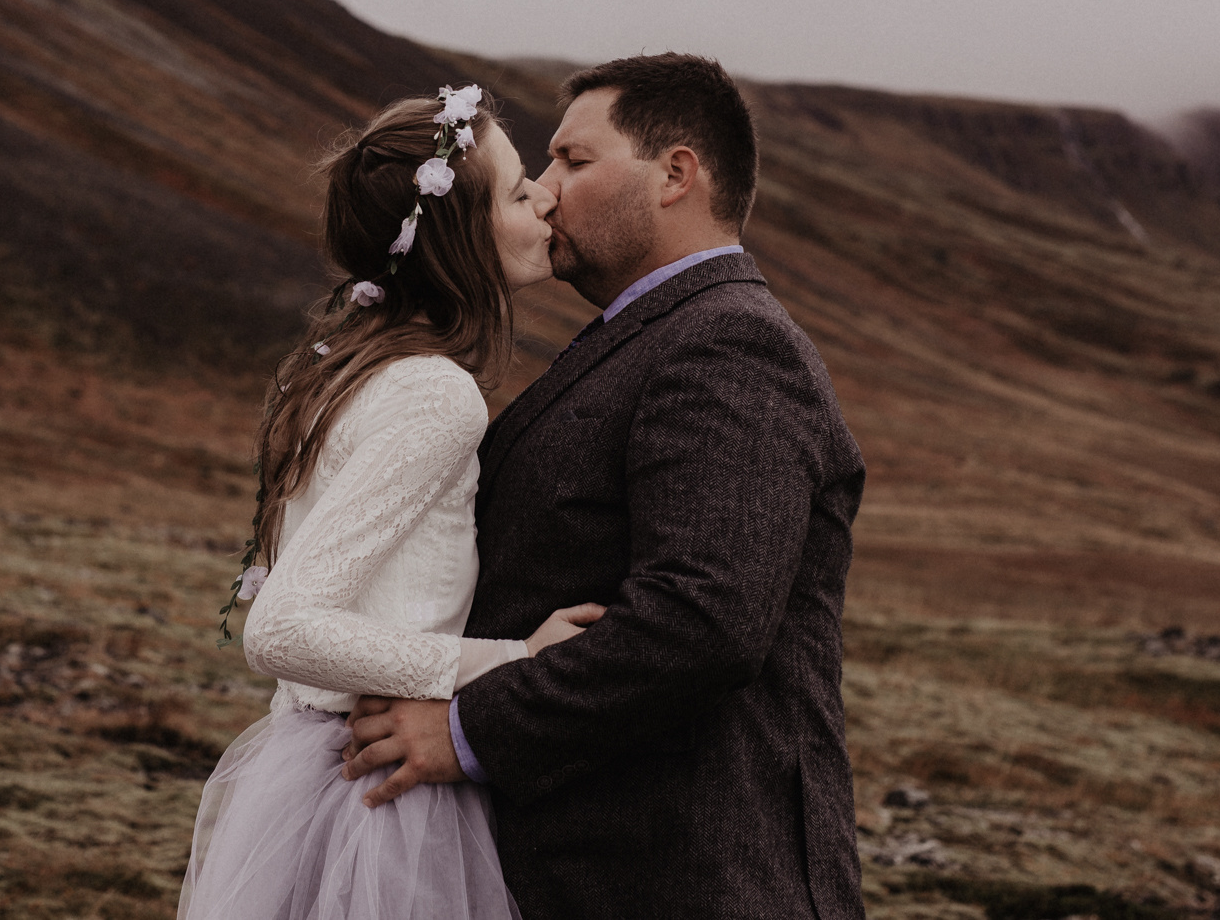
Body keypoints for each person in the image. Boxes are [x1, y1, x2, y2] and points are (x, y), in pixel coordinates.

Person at [342, 53, 868, 920]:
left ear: (675, 175)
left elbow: (705, 619)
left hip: (688, 883)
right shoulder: (642, 336)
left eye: (573, 161)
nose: (545, 192)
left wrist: (469, 728)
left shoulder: (730, 343)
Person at [180, 85, 601, 920]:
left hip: (314, 772)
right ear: (461, 235)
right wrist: (513, 660)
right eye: (518, 192)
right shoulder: (435, 394)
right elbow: (282, 627)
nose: (546, 195)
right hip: (377, 793)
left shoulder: (346, 365)